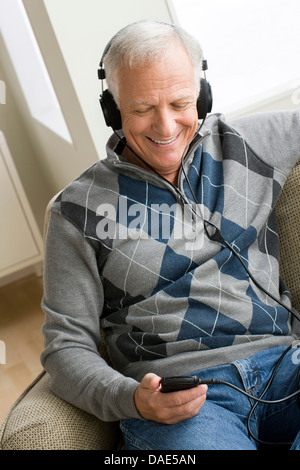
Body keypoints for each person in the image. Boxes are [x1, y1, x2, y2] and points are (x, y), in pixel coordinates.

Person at [41, 20, 300, 450]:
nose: (165, 128)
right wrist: (133, 400)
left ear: (202, 95)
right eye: (142, 109)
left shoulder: (249, 144)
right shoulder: (75, 211)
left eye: (181, 103)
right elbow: (65, 346)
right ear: (113, 108)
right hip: (184, 401)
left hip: (286, 365)